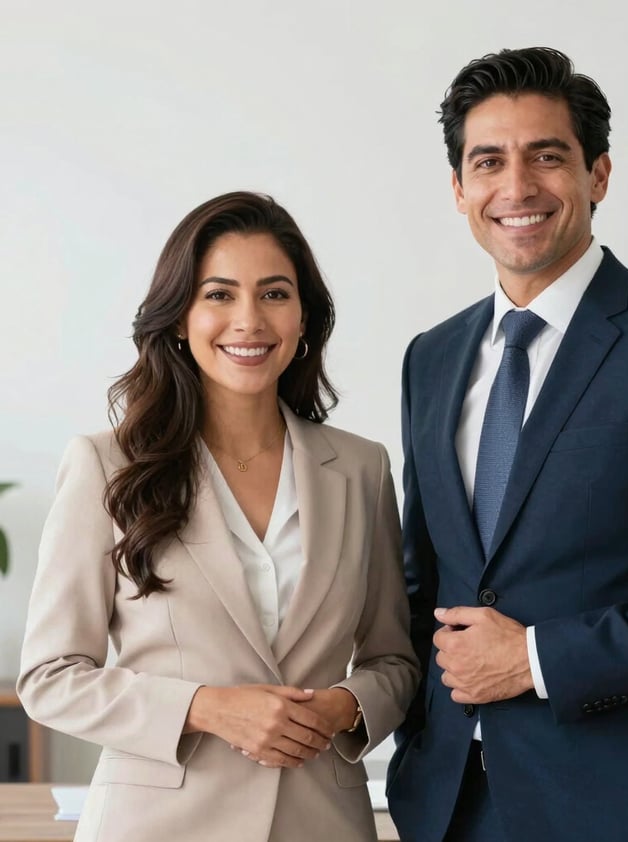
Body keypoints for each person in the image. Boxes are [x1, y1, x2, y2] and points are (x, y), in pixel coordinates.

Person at [386, 47, 628, 842]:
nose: (517, 187)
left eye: (546, 157)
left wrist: (535, 658)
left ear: (598, 175)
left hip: (625, 808)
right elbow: (425, 583)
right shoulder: (432, 357)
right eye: (488, 161)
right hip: (450, 805)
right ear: (459, 190)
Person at [18, 191, 419, 842]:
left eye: (275, 294)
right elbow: (51, 676)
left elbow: (394, 662)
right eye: (220, 294)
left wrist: (345, 706)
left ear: (305, 318)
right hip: (157, 825)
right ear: (179, 318)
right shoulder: (106, 464)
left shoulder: (361, 469)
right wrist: (206, 708)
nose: (249, 320)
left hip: (321, 821)